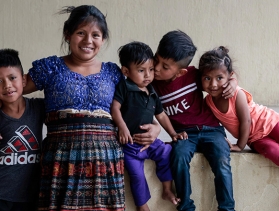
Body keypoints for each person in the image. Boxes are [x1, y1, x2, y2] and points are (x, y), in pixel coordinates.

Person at [23, 5, 161, 211]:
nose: (88, 41)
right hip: (62, 160)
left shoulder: (113, 73)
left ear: (103, 39)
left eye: (95, 35)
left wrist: (156, 127)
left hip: (105, 160)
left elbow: (140, 105)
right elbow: (10, 89)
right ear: (67, 34)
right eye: (81, 33)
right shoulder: (50, 68)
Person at [150, 30, 237, 211]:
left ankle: (227, 208)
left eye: (165, 67)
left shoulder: (193, 75)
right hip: (184, 134)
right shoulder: (151, 84)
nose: (157, 68)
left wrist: (233, 81)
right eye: (156, 60)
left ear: (181, 72)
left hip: (212, 129)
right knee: (179, 156)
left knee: (222, 161)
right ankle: (186, 207)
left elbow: (219, 74)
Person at [111, 41, 186, 211]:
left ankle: (167, 190)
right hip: (130, 145)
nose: (148, 75)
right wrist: (122, 127)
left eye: (151, 69)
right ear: (126, 71)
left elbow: (161, 115)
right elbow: (115, 108)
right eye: (141, 70)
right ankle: (142, 206)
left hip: (151, 142)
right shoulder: (124, 87)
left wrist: (173, 133)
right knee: (137, 176)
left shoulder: (152, 91)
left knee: (167, 152)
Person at [199, 46, 279, 165]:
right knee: (272, 151)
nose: (213, 84)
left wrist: (240, 145)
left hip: (269, 122)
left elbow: (246, 120)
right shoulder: (208, 103)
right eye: (207, 78)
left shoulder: (236, 94)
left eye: (219, 78)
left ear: (230, 76)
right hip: (254, 138)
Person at [0, 49, 45, 211]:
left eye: (12, 78)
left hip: (32, 195)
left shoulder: (38, 107)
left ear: (24, 80)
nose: (7, 86)